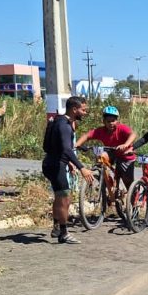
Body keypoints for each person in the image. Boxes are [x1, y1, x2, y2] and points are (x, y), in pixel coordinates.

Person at [43, 96, 93, 244]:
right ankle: (63, 233)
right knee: (64, 198)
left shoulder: (58, 120)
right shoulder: (65, 126)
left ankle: (57, 227)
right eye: (83, 110)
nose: (84, 113)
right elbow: (66, 149)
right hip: (56, 166)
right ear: (74, 109)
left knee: (61, 197)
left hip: (51, 163)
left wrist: (69, 163)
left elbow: (56, 147)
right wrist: (81, 167)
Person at [75, 105, 136, 204]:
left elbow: (132, 134)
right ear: (104, 121)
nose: (111, 123)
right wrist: (77, 145)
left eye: (113, 120)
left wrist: (126, 144)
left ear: (117, 121)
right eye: (108, 121)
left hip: (126, 156)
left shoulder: (122, 128)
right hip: (111, 153)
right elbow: (87, 135)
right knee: (102, 157)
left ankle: (133, 204)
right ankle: (109, 185)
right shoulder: (101, 130)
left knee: (128, 182)